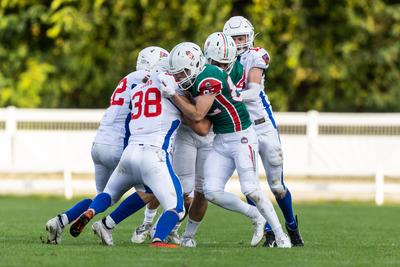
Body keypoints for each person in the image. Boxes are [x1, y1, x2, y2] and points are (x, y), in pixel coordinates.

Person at [161, 42, 291, 248]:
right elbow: (199, 120)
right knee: (210, 191)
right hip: (221, 140)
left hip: (242, 137)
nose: (179, 77)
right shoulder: (195, 78)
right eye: (177, 73)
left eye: (183, 72)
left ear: (195, 64)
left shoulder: (209, 76)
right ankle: (256, 216)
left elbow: (197, 114)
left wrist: (173, 95)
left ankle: (280, 235)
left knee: (251, 189)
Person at [44, 46, 168, 244]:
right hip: (120, 145)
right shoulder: (149, 79)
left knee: (102, 197)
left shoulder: (126, 79)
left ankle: (60, 220)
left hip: (99, 142)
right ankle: (107, 224)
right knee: (151, 191)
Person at [68, 57, 189, 248]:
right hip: (154, 155)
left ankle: (94, 214)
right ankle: (158, 239)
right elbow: (192, 115)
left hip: (129, 153)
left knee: (109, 193)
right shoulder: (173, 90)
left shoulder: (138, 89)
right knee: (177, 207)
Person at [223, 15, 304, 247]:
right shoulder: (218, 60)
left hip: (262, 125)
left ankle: (291, 226)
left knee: (277, 186)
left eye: (242, 37)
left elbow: (252, 88)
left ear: (249, 38)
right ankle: (270, 230)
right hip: (241, 129)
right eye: (234, 38)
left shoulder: (256, 55)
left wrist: (231, 95)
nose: (239, 42)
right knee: (249, 185)